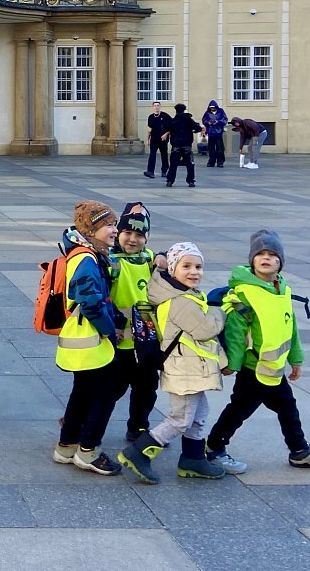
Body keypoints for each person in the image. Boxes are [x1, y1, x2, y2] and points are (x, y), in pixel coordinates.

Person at [205, 230, 310, 474]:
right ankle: (213, 448)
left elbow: (290, 326)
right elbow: (236, 332)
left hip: (273, 368)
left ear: (280, 262)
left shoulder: (282, 289)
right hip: (253, 367)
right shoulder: (244, 292)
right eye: (260, 254)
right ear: (252, 260)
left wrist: (296, 359)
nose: (266, 258)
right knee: (241, 410)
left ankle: (299, 450)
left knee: (285, 408)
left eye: (272, 255)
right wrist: (232, 363)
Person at [119, 242, 226, 484]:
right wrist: (219, 311)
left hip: (191, 366)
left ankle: (193, 458)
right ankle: (138, 452)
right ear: (172, 269)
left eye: (198, 266)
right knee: (180, 419)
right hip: (184, 369)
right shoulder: (179, 300)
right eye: (186, 266)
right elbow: (205, 329)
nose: (194, 272)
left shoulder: (184, 294)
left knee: (199, 414)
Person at [53, 200, 125, 476]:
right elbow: (91, 302)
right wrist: (109, 329)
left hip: (83, 336)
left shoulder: (86, 253)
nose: (115, 230)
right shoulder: (86, 258)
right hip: (91, 338)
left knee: (82, 391)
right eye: (109, 225)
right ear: (91, 230)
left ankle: (67, 446)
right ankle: (88, 451)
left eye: (114, 224)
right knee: (104, 394)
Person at [107, 202, 165, 444]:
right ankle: (80, 419)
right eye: (127, 233)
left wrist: (163, 255)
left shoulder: (149, 258)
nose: (132, 239)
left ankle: (138, 428)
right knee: (112, 388)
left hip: (146, 342)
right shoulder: (110, 260)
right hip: (119, 342)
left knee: (146, 389)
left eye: (139, 235)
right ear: (118, 233)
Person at [165, 103, 201, 188]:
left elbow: (167, 128)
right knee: (190, 165)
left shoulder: (173, 120)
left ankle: (170, 181)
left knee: (173, 165)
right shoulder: (188, 119)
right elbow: (197, 128)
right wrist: (193, 130)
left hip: (176, 145)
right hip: (186, 145)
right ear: (184, 110)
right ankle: (190, 181)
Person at [144, 102, 171, 179]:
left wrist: (166, 134)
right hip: (154, 139)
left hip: (163, 139)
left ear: (160, 106)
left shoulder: (165, 116)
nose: (156, 107)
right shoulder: (151, 117)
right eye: (155, 106)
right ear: (152, 107)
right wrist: (148, 139)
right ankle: (150, 171)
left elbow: (171, 126)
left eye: (158, 105)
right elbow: (149, 129)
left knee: (164, 155)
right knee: (152, 155)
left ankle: (164, 171)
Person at [201, 100, 228, 167]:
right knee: (211, 149)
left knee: (220, 149)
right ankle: (211, 162)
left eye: (213, 107)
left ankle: (220, 162)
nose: (212, 108)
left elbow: (224, 119)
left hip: (218, 132)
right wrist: (208, 123)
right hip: (211, 132)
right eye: (211, 107)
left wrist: (218, 122)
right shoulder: (207, 113)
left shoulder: (221, 111)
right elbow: (204, 120)